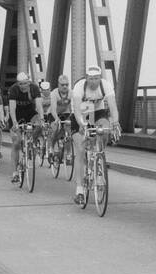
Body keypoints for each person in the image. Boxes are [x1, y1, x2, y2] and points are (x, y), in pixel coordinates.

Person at [72, 64, 120, 206]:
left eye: (96, 78)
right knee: (80, 149)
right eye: (91, 79)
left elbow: (113, 107)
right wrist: (82, 125)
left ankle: (98, 158)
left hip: (97, 111)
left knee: (104, 129)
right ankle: (79, 189)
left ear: (100, 78)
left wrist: (115, 123)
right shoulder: (79, 87)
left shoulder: (106, 85)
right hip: (81, 111)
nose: (94, 81)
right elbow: (77, 111)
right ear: (87, 78)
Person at [7, 72, 42, 185]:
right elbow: (12, 108)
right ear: (18, 84)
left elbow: (39, 105)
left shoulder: (34, 88)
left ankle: (32, 141)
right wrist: (14, 122)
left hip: (30, 113)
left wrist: (42, 118)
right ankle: (15, 173)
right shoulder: (14, 90)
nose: (23, 86)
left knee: (40, 124)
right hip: (16, 115)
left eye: (25, 83)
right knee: (16, 143)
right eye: (21, 84)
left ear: (29, 82)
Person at [45, 75, 77, 159]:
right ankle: (51, 147)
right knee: (55, 128)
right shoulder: (54, 93)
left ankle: (69, 153)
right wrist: (56, 118)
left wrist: (74, 117)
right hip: (54, 113)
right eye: (62, 85)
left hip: (65, 113)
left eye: (66, 84)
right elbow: (53, 109)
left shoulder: (71, 93)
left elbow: (74, 107)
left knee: (69, 131)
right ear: (58, 85)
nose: (65, 86)